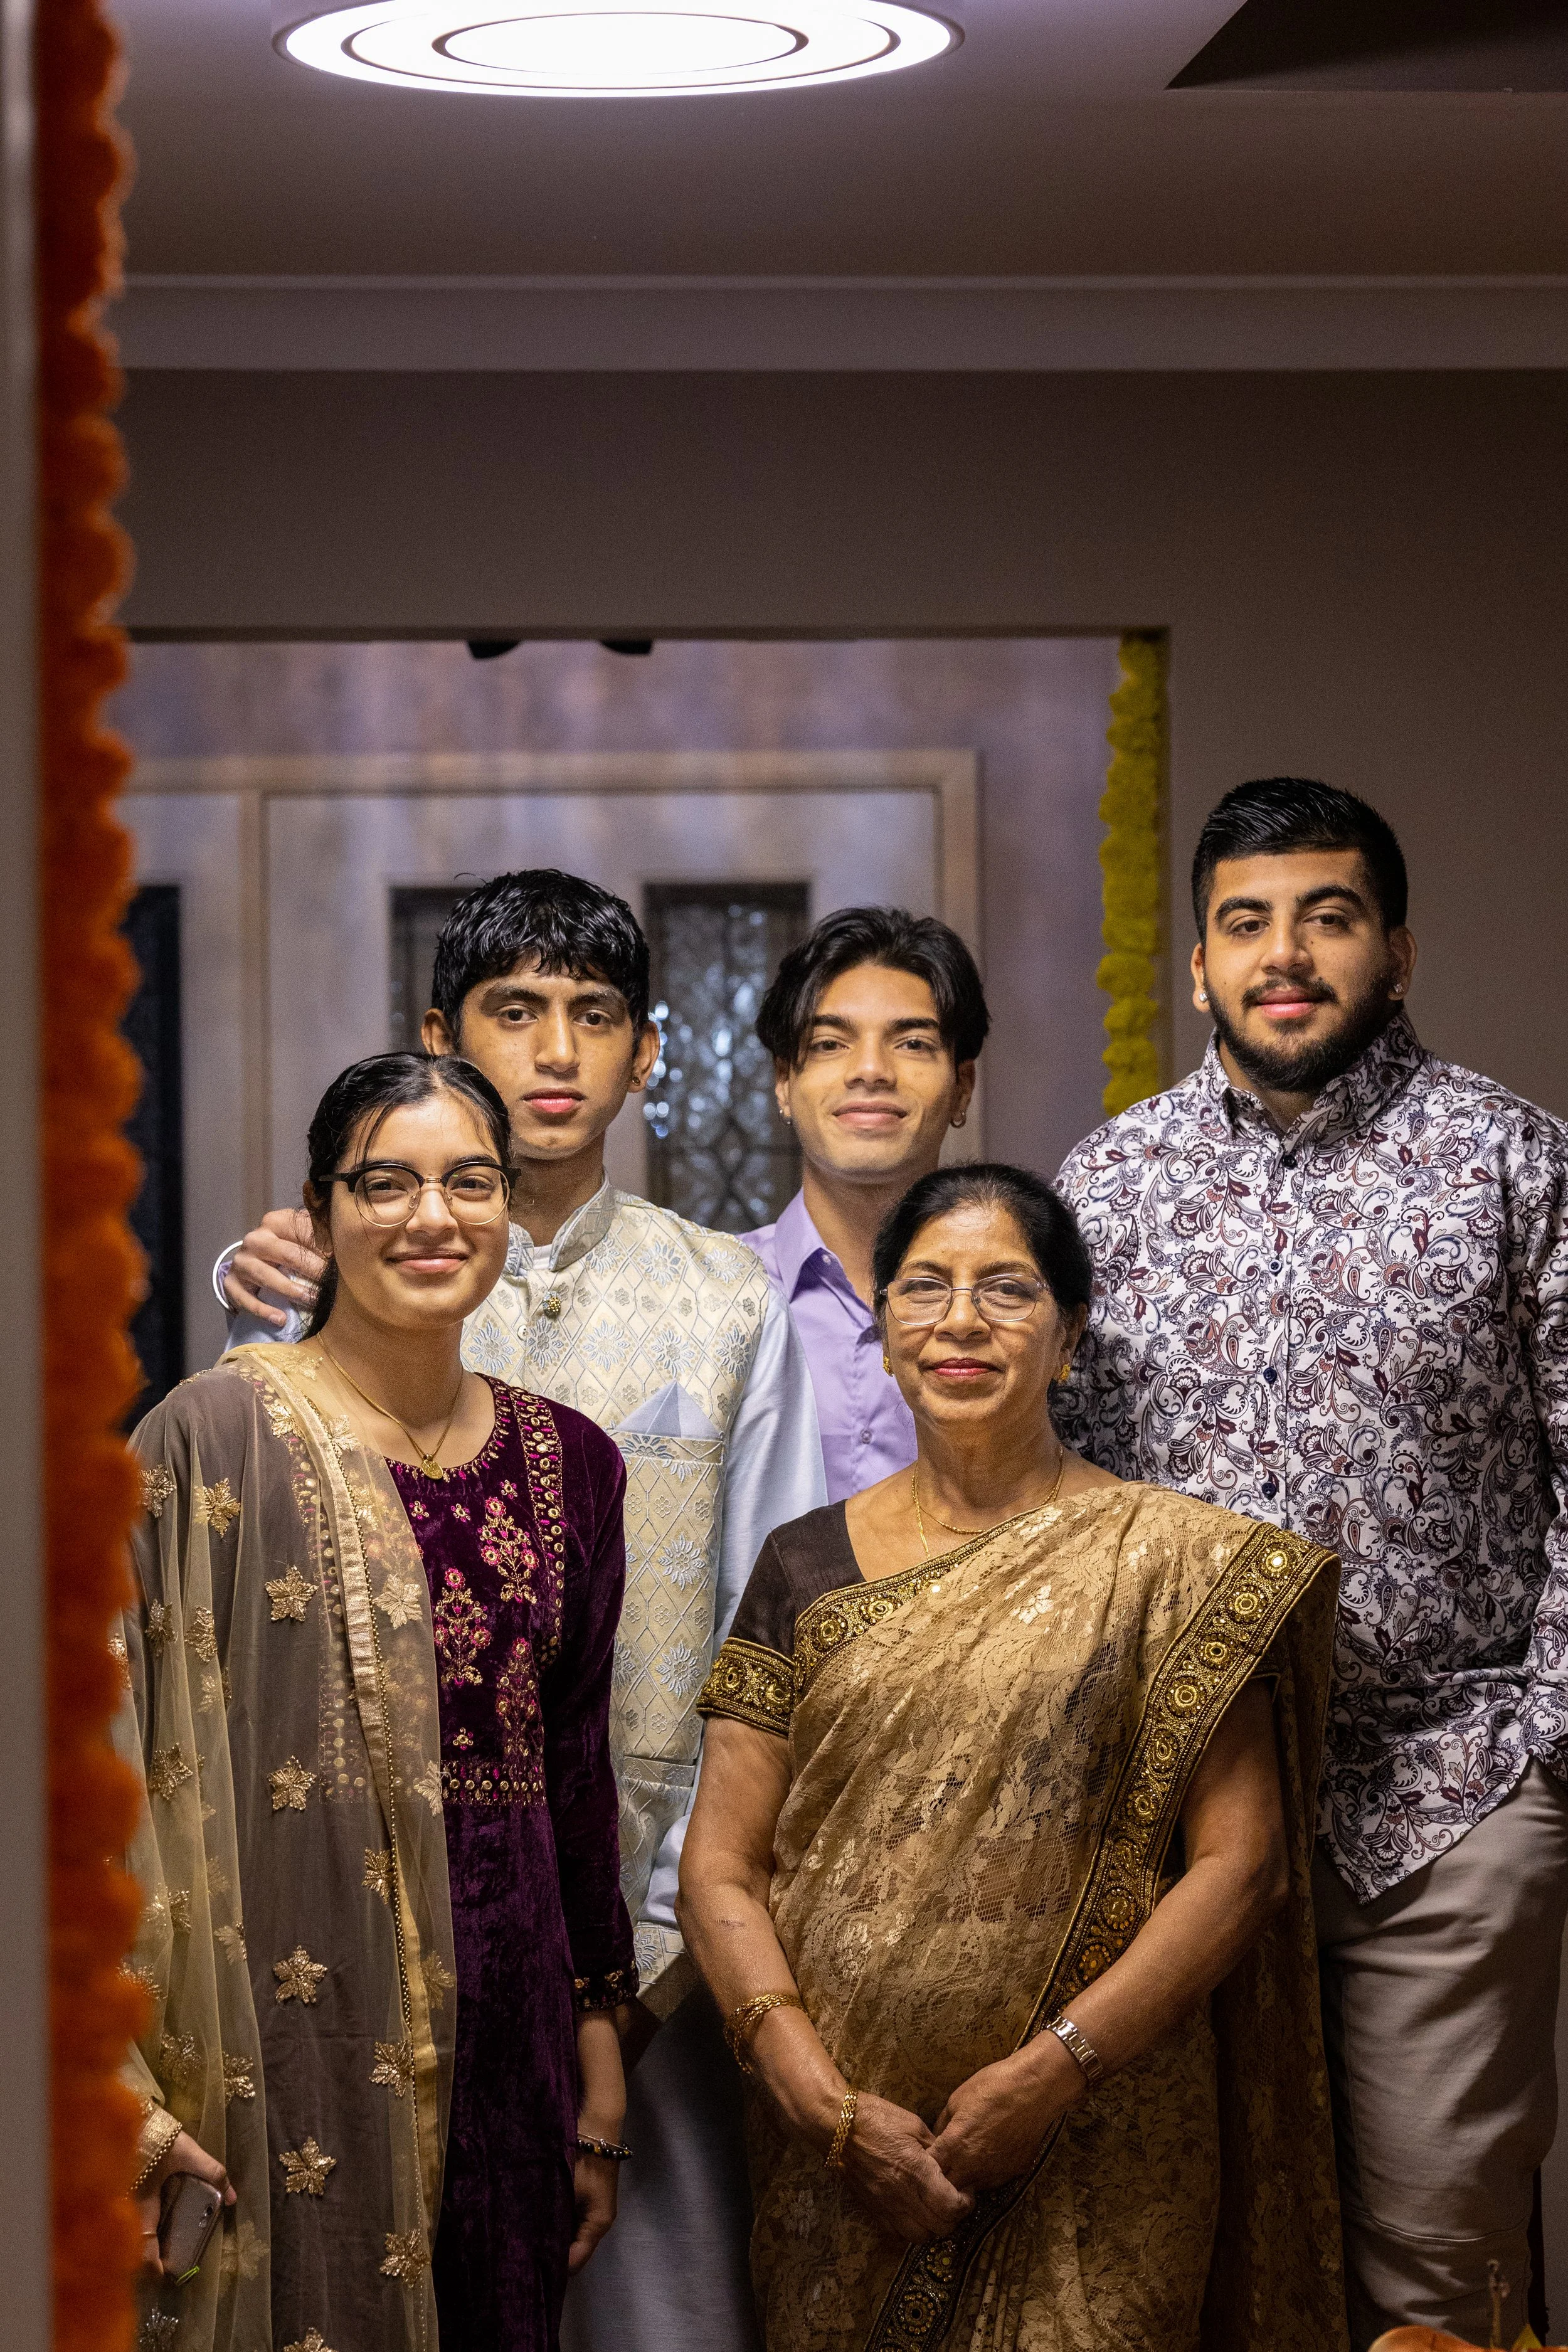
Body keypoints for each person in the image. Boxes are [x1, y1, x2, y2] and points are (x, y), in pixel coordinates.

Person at [212, 871, 825, 2352]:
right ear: (442, 1034)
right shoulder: (349, 1277)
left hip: (664, 1915)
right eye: (514, 1011)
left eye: (595, 1016)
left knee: (669, 2317)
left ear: (648, 1055)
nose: (555, 1051)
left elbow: (784, 1635)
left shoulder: (727, 1300)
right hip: (376, 1907)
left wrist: (668, 1942)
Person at [1053, 778, 1568, 2348]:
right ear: (1198, 964)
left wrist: (1546, 1746)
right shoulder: (1108, 1183)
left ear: (1395, 950)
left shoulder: (1513, 1165)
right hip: (1176, 1827)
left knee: (1433, 2272)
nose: (1287, 955)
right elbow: (1057, 1484)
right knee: (1190, 2263)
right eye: (1247, 922)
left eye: (1328, 917)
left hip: (1448, 1799)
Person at [681, 1163, 1348, 2352]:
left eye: (1009, 1290)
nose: (961, 1321)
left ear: (1070, 1336)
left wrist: (1056, 2071)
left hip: (1109, 2138)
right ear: (882, 1331)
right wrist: (821, 2106)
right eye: (925, 1288)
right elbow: (722, 1868)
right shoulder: (801, 1566)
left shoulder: (1173, 1568)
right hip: (841, 2165)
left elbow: (1240, 1868)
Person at [119, 1049, 632, 2352]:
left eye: (470, 1182)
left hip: (510, 2037)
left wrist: (599, 2050)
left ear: (511, 1208)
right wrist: (117, 2079)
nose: (431, 1216)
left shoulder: (570, 1463)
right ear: (321, 1207)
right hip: (284, 2020)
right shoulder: (210, 1437)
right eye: (385, 1183)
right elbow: (101, 1759)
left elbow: (576, 1773)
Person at [745, 905, 987, 1502]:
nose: (871, 1071)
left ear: (962, 1087)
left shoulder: (1014, 1309)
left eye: (911, 1042)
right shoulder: (717, 1297)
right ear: (784, 1082)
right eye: (830, 1044)